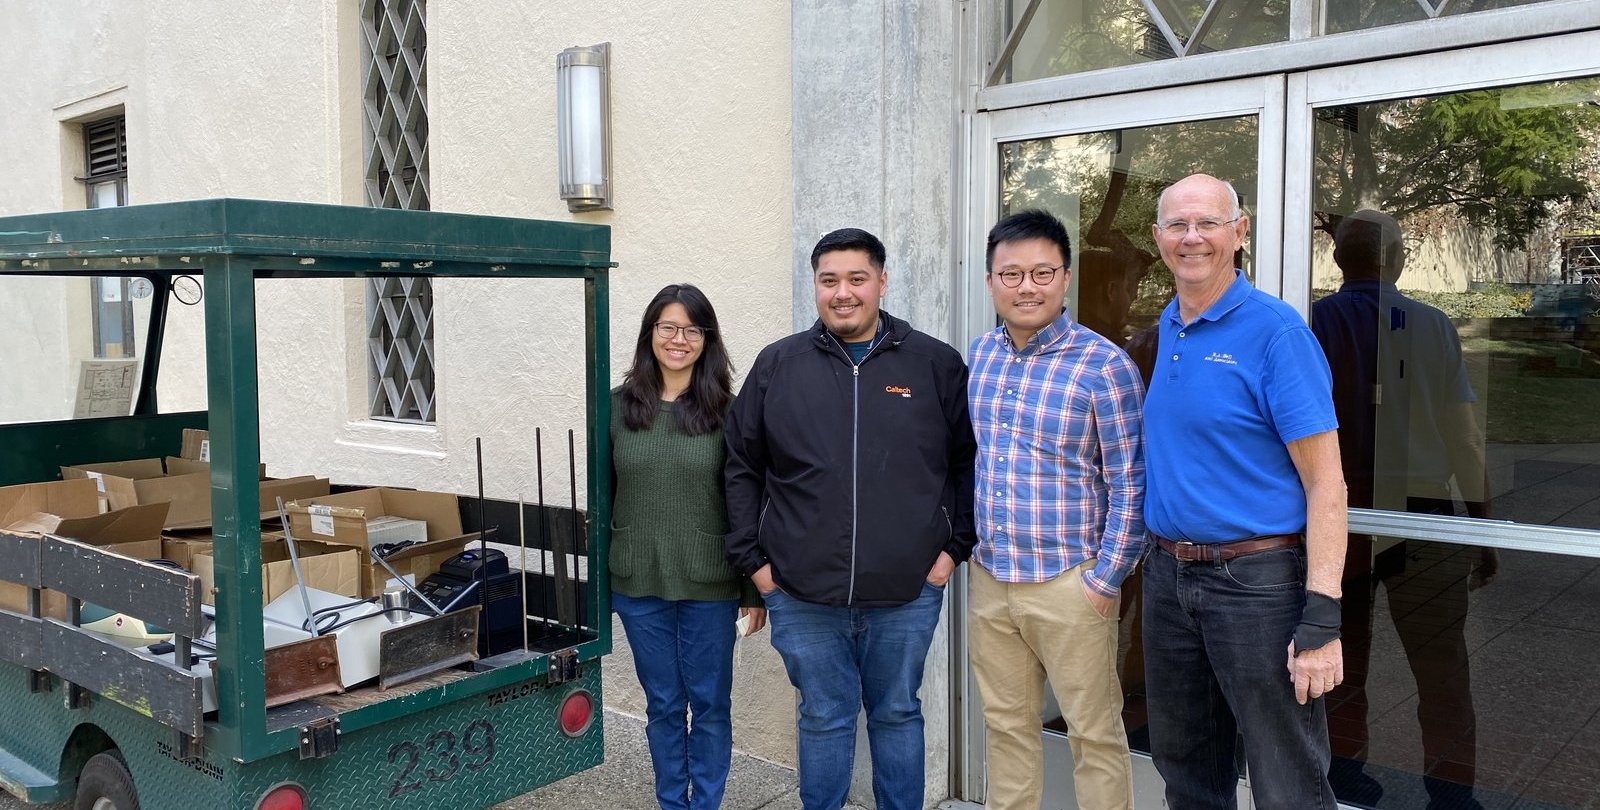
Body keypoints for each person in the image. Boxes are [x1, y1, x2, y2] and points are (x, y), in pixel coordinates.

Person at [724, 227, 977, 810]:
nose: (843, 293)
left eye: (857, 278)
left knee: (897, 713)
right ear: (815, 285)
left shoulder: (934, 364)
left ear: (882, 282)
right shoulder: (777, 365)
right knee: (823, 716)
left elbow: (969, 463)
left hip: (907, 591)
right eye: (829, 280)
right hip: (800, 591)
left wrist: (951, 552)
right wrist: (756, 567)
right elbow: (741, 467)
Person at [1140, 173, 1347, 809]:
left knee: (1287, 779)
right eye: (1177, 225)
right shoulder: (1168, 325)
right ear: (1158, 237)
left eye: (1208, 222)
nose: (1192, 237)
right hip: (1169, 577)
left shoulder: (1277, 333)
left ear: (1239, 231)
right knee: (1187, 771)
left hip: (1256, 586)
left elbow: (1326, 482)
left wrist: (1322, 615)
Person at [1312, 209, 1493, 810]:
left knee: (1341, 659)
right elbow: (1463, 437)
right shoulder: (1433, 325)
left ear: (1338, 260)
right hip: (1423, 515)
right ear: (1398, 260)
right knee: (1442, 668)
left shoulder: (1311, 321)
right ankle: (1452, 794)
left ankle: (1345, 781)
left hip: (1339, 514)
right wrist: (1483, 525)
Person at [966, 210, 1146, 810]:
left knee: (1094, 734)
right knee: (1006, 728)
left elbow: (1131, 482)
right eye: (1011, 274)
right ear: (991, 281)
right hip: (991, 581)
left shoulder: (1105, 365)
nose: (1027, 287)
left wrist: (1105, 579)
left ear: (1065, 278)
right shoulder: (980, 357)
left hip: (1071, 582)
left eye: (1042, 273)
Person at [610, 283, 766, 810]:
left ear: (707, 339)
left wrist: (752, 590)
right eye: (668, 327)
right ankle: (673, 802)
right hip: (638, 583)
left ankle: (706, 804)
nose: (679, 339)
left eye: (692, 330)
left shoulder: (730, 412)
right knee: (663, 705)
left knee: (710, 705)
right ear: (650, 334)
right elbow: (603, 498)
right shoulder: (615, 409)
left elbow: (746, 503)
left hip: (711, 585)